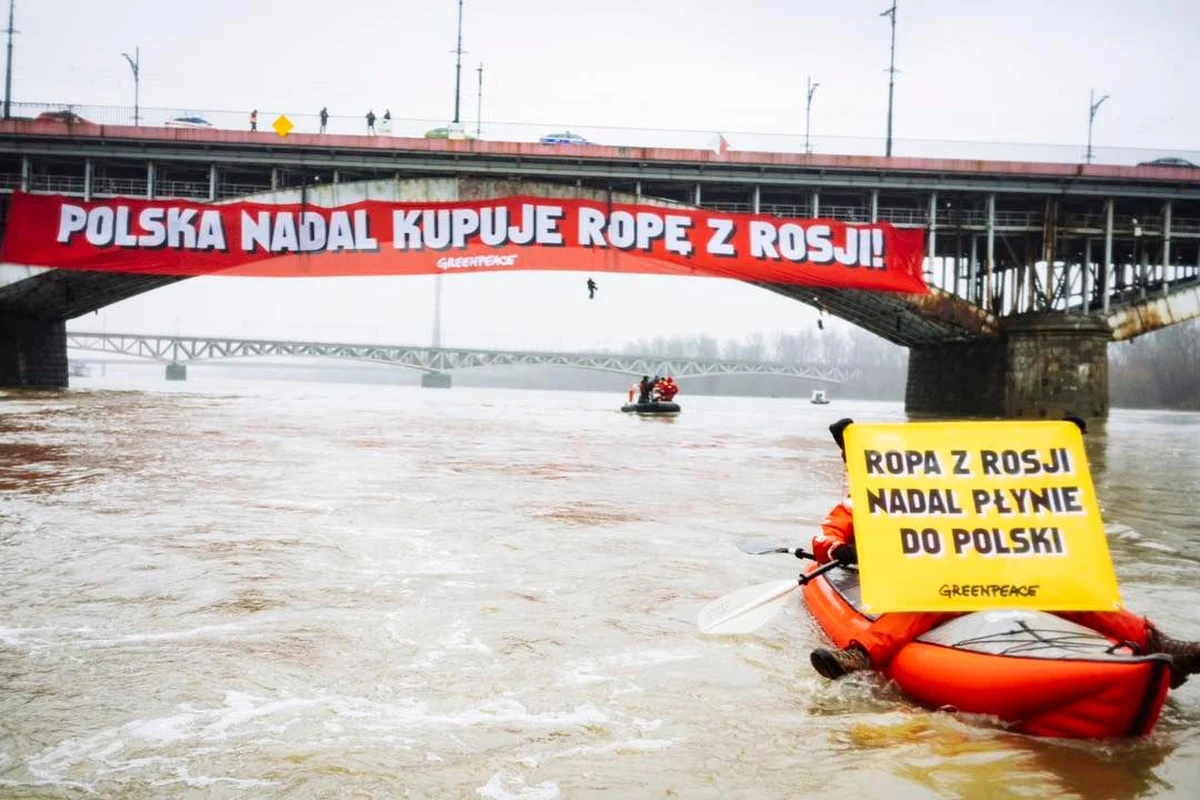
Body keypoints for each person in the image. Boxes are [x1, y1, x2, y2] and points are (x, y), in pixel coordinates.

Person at [809, 417, 1200, 689]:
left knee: (1075, 597)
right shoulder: (853, 505)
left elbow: (1015, 486)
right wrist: (840, 549)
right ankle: (858, 655)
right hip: (930, 583)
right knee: (918, 609)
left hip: (984, 573)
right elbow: (822, 540)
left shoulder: (950, 490)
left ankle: (1154, 641)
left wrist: (1056, 448)